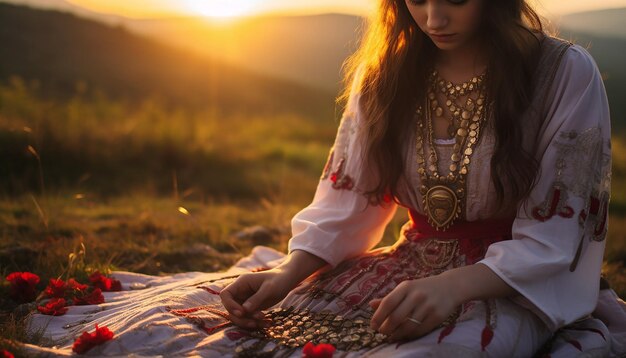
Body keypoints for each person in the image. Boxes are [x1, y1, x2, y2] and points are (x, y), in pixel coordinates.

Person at [25, 0, 625, 356]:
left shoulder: (561, 74)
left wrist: (458, 286)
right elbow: (350, 200)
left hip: (512, 282)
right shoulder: (388, 75)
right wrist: (289, 271)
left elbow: (561, 228)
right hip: (407, 262)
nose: (434, 17)